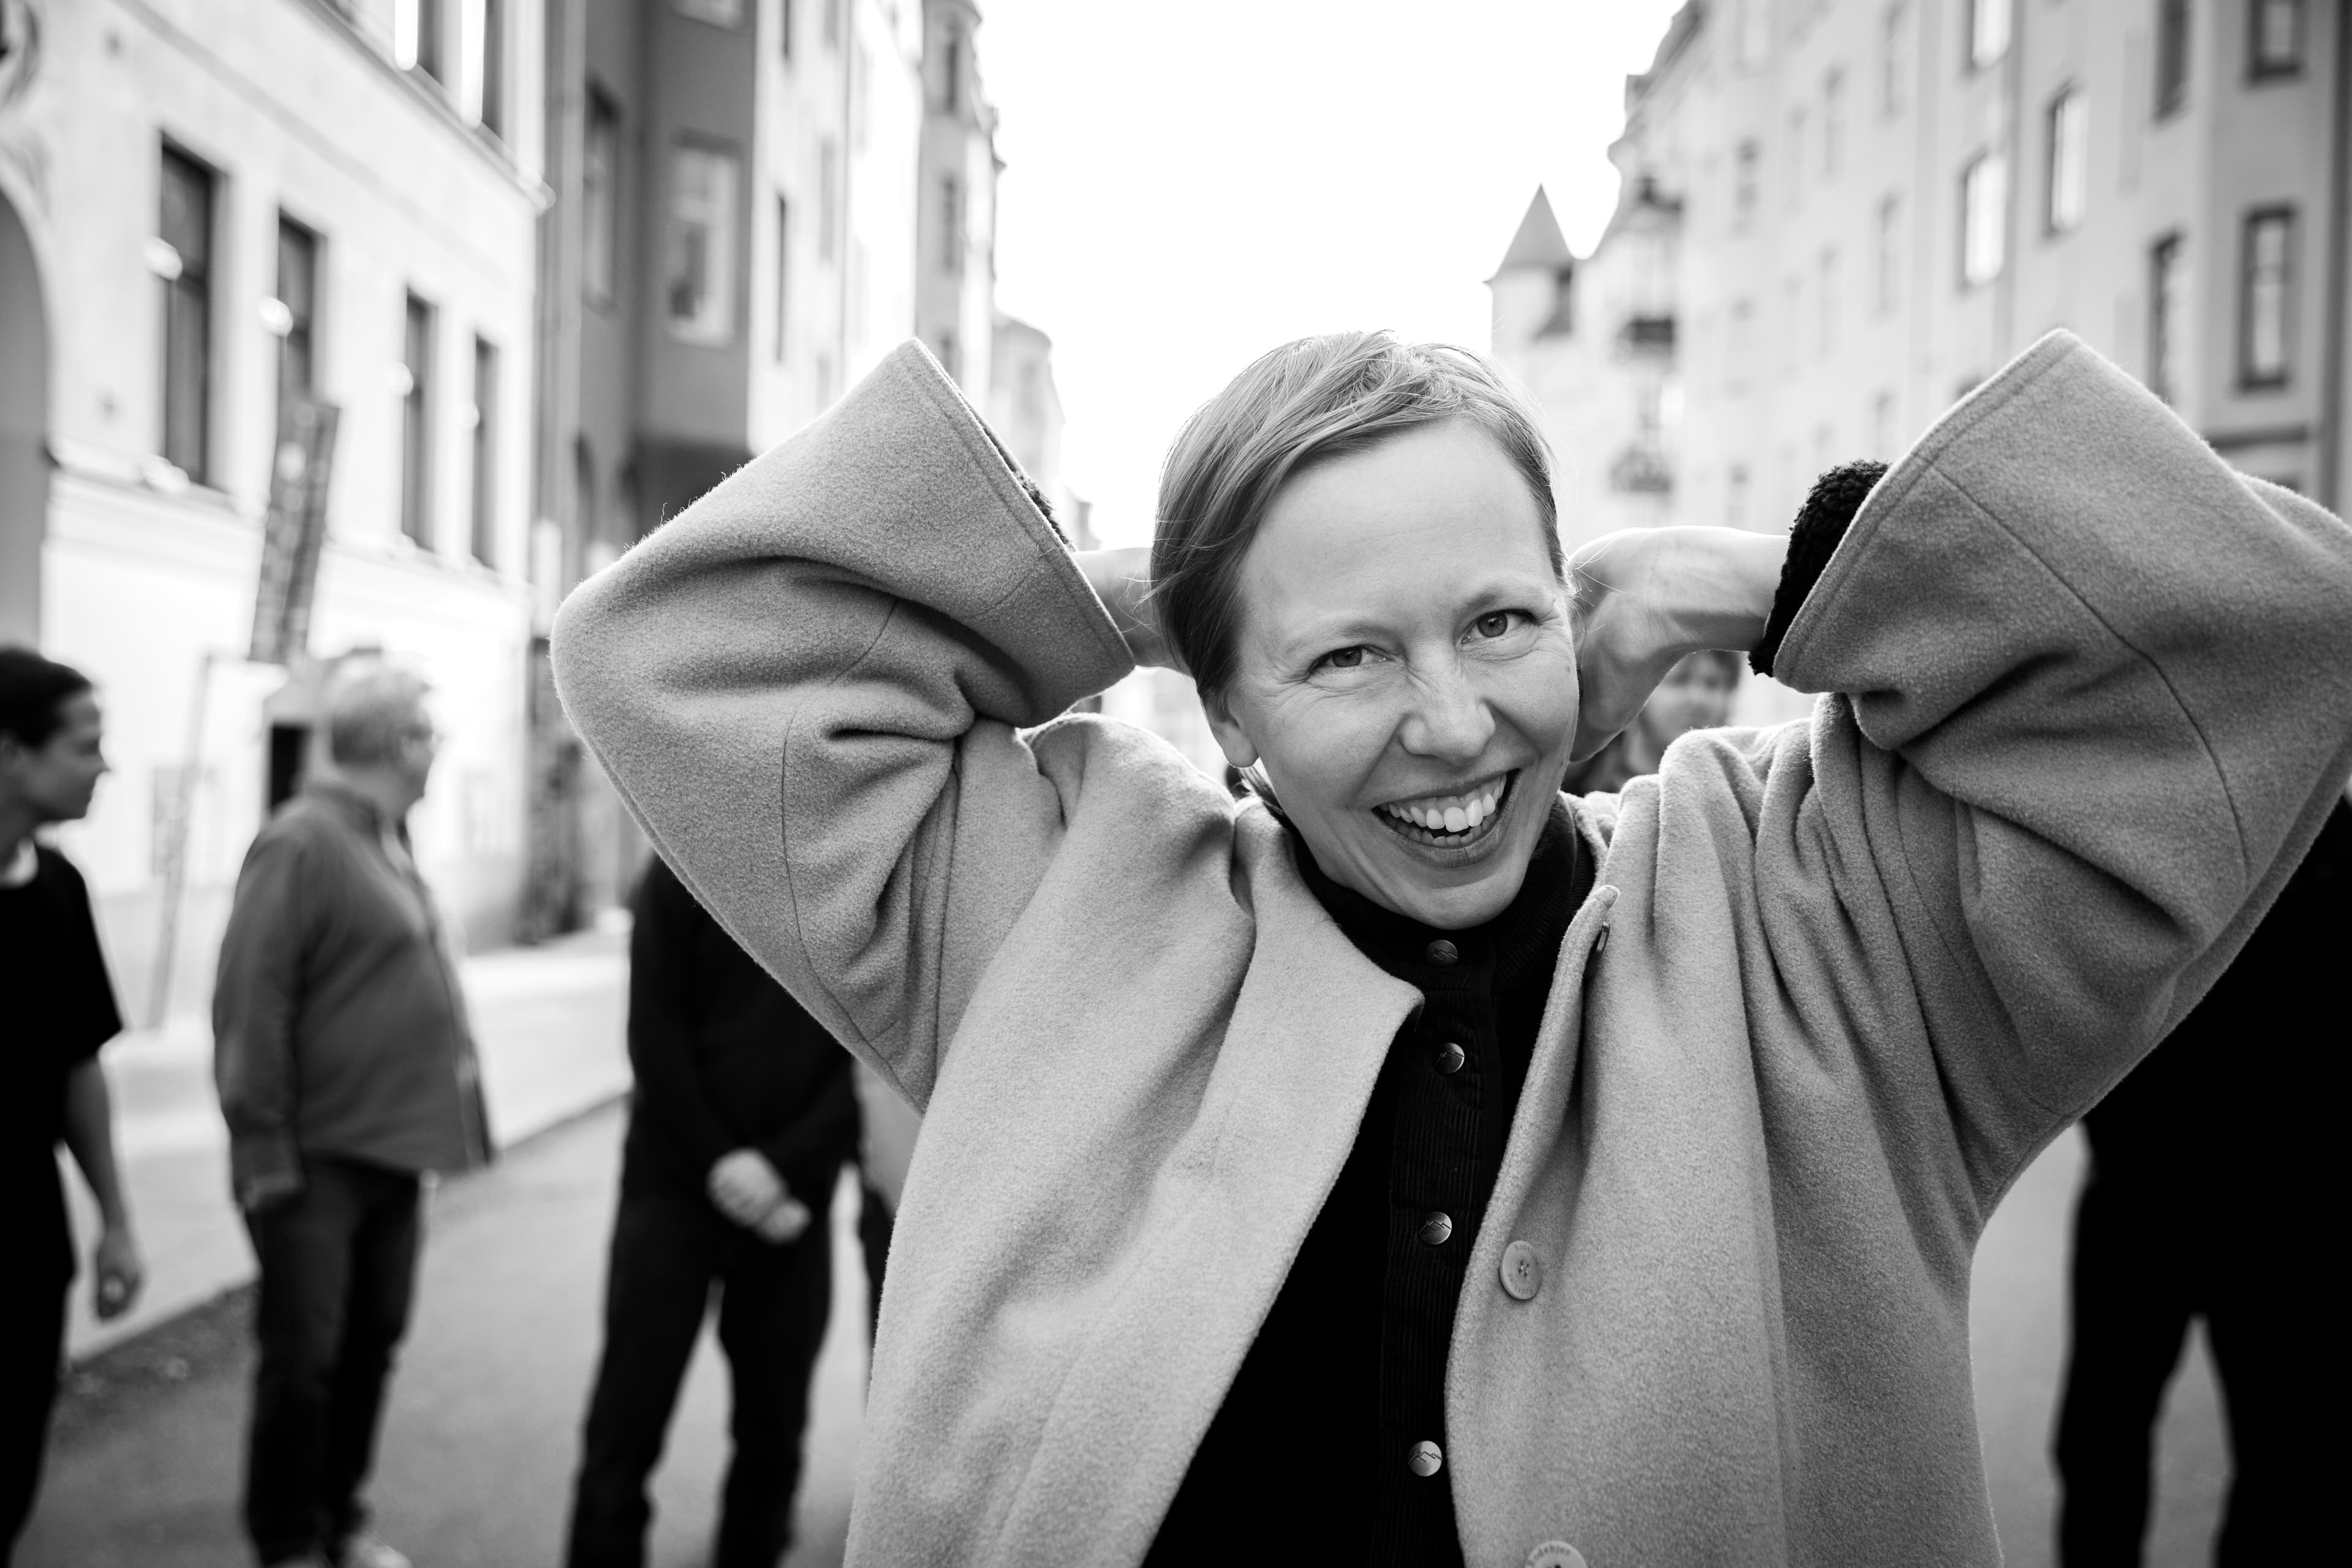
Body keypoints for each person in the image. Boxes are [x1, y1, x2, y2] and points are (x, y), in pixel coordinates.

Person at [549, 330, 2352, 1567]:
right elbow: (677, 646)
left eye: (1500, 619)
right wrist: (1139, 593)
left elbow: (2259, 647)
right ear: (1226, 706)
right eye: (1345, 655)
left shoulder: (1815, 922)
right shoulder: (1051, 912)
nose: (1449, 723)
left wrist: (1755, 576)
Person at [213, 665, 492, 1568]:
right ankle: (289, 1539)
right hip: (316, 1157)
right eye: (429, 735)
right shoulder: (302, 841)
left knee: (370, 1348)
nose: (438, 752)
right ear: (394, 744)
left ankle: (342, 1521)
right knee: (306, 1364)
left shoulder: (383, 835)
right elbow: (251, 1004)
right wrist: (261, 1149)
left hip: (389, 1153)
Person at [2052, 790, 2350, 1566]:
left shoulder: (2339, 842)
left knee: (2284, 1470)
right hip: (2138, 1195)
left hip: (2289, 1224)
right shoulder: (2176, 829)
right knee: (2098, 1448)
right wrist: (2116, 1134)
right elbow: (2092, 984)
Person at [565, 853, 858, 1568]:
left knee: (773, 1432)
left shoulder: (847, 881)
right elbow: (653, 1038)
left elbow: (872, 1055)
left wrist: (784, 1169)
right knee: (625, 1426)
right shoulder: (679, 872)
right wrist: (730, 1167)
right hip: (673, 1194)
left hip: (792, 1207)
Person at [0, 647, 142, 1562]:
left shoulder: (60, 888)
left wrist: (117, 1220)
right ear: (14, 754)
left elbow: (77, 1066)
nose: (105, 767)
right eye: (86, 746)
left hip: (21, 1251)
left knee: (9, 1480)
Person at [1561, 647, 1741, 794]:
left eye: (1713, 684)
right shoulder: (1573, 784)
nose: (1697, 699)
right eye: (1679, 681)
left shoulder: (1737, 790)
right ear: (1639, 690)